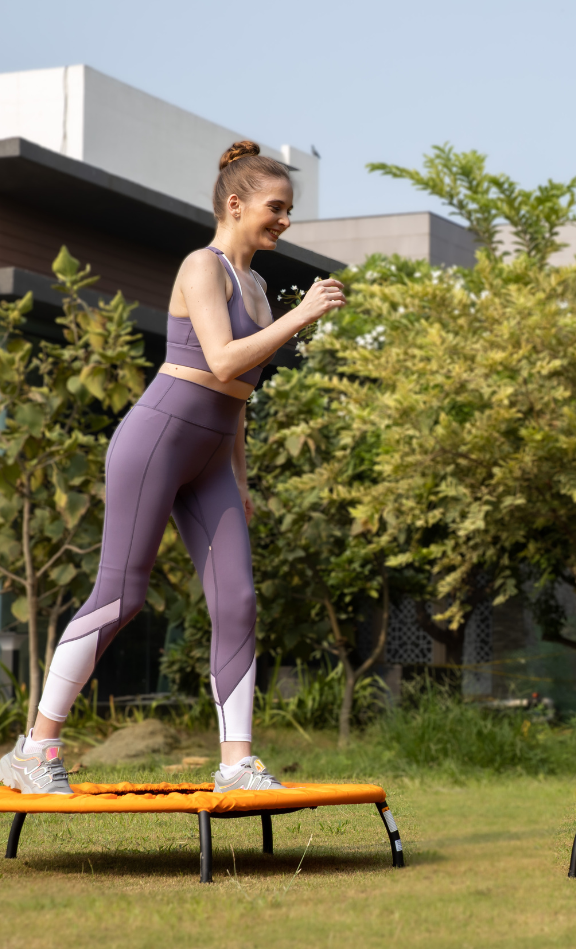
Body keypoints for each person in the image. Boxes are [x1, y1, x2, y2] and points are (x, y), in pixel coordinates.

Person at [0, 141, 345, 794]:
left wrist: (240, 481)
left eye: (290, 210)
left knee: (238, 601)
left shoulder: (259, 287)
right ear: (235, 204)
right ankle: (33, 751)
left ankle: (236, 764)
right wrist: (303, 316)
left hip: (214, 455)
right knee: (122, 595)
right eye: (277, 208)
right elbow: (219, 359)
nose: (285, 221)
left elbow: (238, 393)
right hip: (158, 439)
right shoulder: (201, 266)